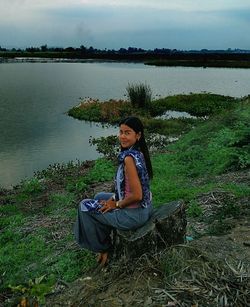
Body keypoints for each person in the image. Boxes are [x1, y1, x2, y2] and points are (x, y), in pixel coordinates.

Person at [74, 116, 153, 266]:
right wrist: (114, 200)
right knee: (99, 196)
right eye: (121, 132)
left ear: (138, 135)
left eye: (127, 133)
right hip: (145, 208)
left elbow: (136, 195)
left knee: (84, 207)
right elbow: (128, 189)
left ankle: (103, 248)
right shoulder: (138, 152)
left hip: (134, 216)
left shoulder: (129, 159)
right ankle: (105, 235)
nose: (122, 136)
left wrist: (116, 205)